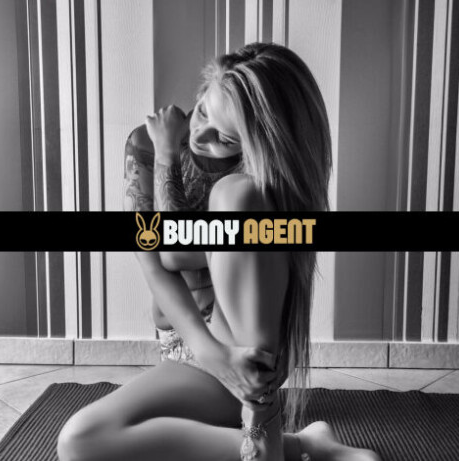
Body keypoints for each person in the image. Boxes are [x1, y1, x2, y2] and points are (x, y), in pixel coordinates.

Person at [57, 42, 381, 461]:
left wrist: (170, 158)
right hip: (187, 346)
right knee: (79, 440)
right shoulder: (144, 145)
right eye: (203, 112)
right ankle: (301, 445)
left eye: (224, 138)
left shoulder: (253, 186)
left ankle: (261, 422)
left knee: (236, 194)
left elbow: (177, 249)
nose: (200, 134)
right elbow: (156, 261)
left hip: (245, 347)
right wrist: (211, 354)